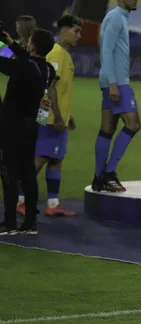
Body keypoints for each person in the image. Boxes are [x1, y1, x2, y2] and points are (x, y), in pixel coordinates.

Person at [17, 15, 82, 218]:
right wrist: (56, 117)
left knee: (56, 159)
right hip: (51, 119)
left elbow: (61, 89)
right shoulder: (56, 54)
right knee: (40, 158)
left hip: (57, 117)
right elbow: (49, 87)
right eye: (76, 31)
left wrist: (67, 115)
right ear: (63, 31)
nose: (79, 35)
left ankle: (52, 203)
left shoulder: (64, 54)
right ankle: (20, 200)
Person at [0, 29, 56, 235]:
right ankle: (30, 222)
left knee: (9, 174)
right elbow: (29, 61)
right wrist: (8, 41)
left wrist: (7, 47)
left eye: (29, 42)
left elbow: (7, 62)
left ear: (32, 46)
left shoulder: (21, 66)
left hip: (11, 126)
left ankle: (9, 223)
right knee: (28, 175)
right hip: (32, 126)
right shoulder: (47, 69)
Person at [93, 0, 141, 193]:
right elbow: (106, 49)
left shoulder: (119, 17)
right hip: (117, 82)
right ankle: (109, 172)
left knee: (107, 128)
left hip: (111, 80)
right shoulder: (115, 17)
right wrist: (113, 82)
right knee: (133, 124)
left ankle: (98, 178)